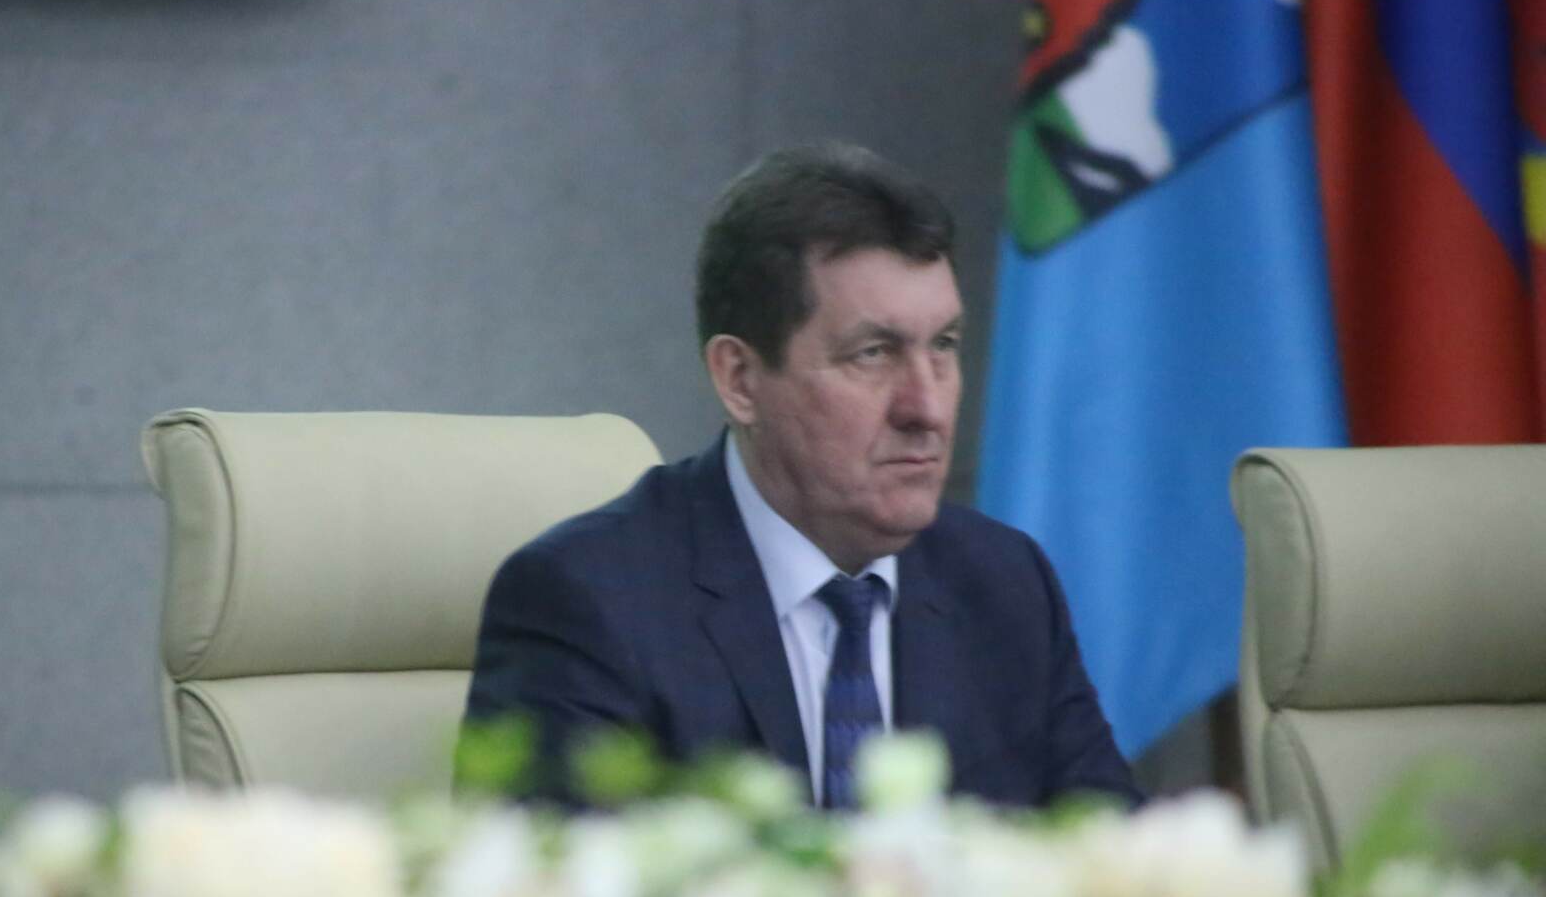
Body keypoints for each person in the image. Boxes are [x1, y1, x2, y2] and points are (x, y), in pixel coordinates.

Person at [465, 143, 1139, 809]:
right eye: (873, 354)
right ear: (740, 379)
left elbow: (1108, 852)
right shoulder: (591, 603)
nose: (927, 408)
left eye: (943, 346)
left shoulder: (1004, 585)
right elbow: (550, 876)